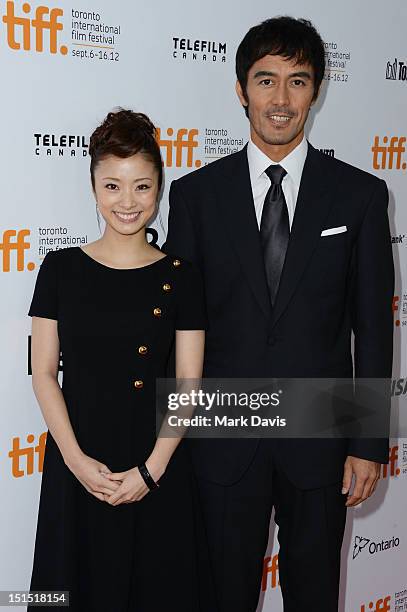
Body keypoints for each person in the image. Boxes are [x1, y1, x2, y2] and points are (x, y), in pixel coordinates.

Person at [164, 16, 394, 612]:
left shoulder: (361, 196)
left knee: (316, 595)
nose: (281, 99)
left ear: (315, 91)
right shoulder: (194, 196)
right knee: (220, 596)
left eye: (298, 81)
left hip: (320, 434)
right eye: (265, 81)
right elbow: (180, 327)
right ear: (241, 89)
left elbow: (373, 326)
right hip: (221, 433)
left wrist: (368, 443)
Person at [27, 109, 208, 611]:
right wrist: (75, 462)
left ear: (158, 189)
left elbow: (190, 383)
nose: (127, 202)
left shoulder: (182, 275)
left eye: (142, 187)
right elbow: (43, 372)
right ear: (93, 187)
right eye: (112, 186)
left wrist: (151, 471)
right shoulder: (59, 268)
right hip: (77, 461)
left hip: (157, 465)